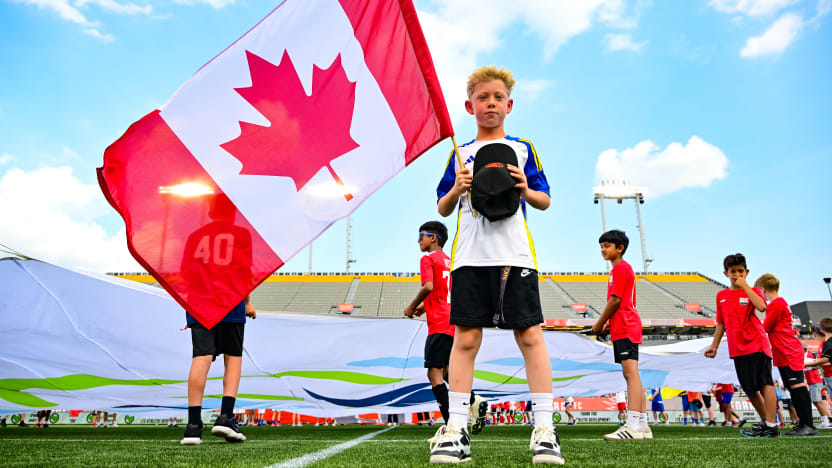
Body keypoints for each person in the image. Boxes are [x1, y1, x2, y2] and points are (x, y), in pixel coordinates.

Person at [429, 65, 561, 465]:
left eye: (497, 98)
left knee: (531, 336)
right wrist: (457, 187)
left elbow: (545, 200)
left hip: (514, 256)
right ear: (469, 105)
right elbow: (442, 206)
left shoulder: (522, 148)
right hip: (469, 257)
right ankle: (456, 429)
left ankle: (544, 430)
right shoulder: (459, 151)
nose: (491, 104)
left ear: (510, 104)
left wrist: (524, 187)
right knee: (465, 339)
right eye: (483, 98)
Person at [180, 193, 257, 445]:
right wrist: (246, 302)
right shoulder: (241, 235)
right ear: (233, 212)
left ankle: (192, 426)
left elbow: (185, 272)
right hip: (230, 300)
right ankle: (225, 417)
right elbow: (246, 272)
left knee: (201, 357)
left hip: (200, 301)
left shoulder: (194, 236)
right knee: (232, 358)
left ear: (211, 212)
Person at [404, 221, 488, 433]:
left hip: (439, 325)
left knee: (434, 373)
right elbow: (445, 291)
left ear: (433, 238)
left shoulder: (428, 259)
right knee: (448, 371)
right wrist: (424, 307)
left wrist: (411, 307)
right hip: (453, 322)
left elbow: (429, 286)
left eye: (421, 236)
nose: (418, 240)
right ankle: (474, 400)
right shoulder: (451, 261)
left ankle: (453, 426)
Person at [705, 253, 779, 438]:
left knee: (765, 384)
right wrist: (714, 345)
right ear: (725, 273)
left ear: (746, 272)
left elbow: (762, 307)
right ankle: (767, 425)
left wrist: (745, 286)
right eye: (733, 271)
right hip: (737, 349)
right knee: (749, 388)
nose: (736, 274)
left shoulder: (751, 289)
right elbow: (720, 323)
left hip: (757, 344)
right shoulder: (721, 295)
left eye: (740, 271)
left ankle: (771, 423)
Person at [591, 230, 650, 441]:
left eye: (607, 245)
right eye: (601, 246)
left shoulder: (621, 268)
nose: (603, 250)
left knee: (630, 374)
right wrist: (607, 322)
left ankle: (633, 425)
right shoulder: (618, 270)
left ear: (620, 248)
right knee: (633, 375)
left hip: (626, 326)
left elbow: (616, 300)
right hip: (623, 326)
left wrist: (599, 322)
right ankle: (643, 426)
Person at [756, 273, 818, 435]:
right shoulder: (779, 303)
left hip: (789, 351)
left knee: (797, 387)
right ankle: (803, 423)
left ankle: (808, 425)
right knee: (792, 387)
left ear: (763, 290)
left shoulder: (776, 304)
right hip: (783, 352)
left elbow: (766, 326)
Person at [803, 344, 832, 428]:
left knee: (817, 401)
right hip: (813, 381)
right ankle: (826, 420)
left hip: (815, 381)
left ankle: (826, 421)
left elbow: (816, 365)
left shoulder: (808, 355)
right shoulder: (807, 355)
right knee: (818, 402)